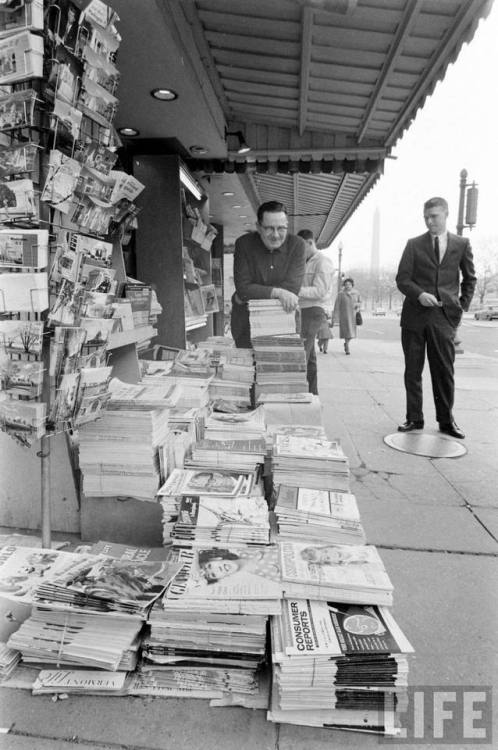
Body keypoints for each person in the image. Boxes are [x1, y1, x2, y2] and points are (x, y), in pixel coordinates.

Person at [395, 197, 476, 439]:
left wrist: (459, 309)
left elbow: (470, 280)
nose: (430, 221)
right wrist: (419, 294)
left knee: (444, 372)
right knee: (413, 371)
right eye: (426, 217)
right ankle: (414, 418)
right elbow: (402, 279)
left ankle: (446, 421)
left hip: (444, 318)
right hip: (415, 318)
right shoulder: (413, 244)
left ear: (446, 215)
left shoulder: (461, 244)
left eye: (435, 217)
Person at [231, 201, 306, 348]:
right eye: (269, 229)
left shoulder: (297, 245)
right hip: (247, 326)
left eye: (281, 228)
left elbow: (292, 290)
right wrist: (278, 292)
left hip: (285, 324)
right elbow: (243, 289)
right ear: (258, 227)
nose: (276, 235)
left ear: (287, 225)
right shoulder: (243, 244)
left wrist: (255, 291)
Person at [296, 229, 334, 393]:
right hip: (303, 309)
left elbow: (320, 291)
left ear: (310, 243)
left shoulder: (323, 262)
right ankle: (312, 393)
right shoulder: (306, 261)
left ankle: (298, 393)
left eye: (301, 247)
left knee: (301, 353)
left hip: (314, 309)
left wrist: (295, 290)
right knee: (309, 356)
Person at [332, 277, 361, 355]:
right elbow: (337, 305)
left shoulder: (356, 293)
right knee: (346, 332)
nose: (348, 286)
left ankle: (346, 343)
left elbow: (360, 302)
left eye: (349, 284)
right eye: (346, 284)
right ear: (344, 285)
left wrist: (357, 305)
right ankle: (347, 346)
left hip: (353, 316)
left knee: (352, 333)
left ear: (352, 285)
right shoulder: (341, 294)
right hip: (344, 316)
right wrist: (335, 317)